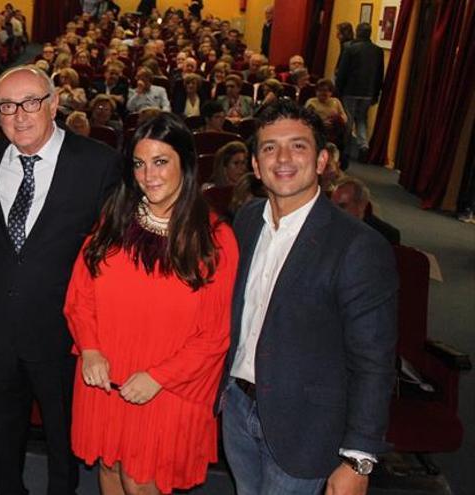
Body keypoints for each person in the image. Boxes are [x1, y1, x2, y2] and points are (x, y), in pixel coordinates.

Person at [221, 99, 398, 494]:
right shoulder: (248, 220)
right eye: (269, 147)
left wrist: (358, 458)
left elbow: (374, 361)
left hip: (305, 428)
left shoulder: (357, 246)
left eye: (298, 146)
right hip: (237, 409)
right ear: (255, 165)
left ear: (321, 161)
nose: (282, 158)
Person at [65, 112, 237, 494]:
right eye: (140, 164)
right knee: (109, 468)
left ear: (186, 165)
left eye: (161, 162)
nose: (149, 175)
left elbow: (214, 336)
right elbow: (81, 295)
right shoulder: (115, 217)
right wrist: (90, 350)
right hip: (106, 376)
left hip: (167, 386)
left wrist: (158, 378)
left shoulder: (215, 238)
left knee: (140, 480)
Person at [0, 65, 121, 495]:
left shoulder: (97, 163)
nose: (19, 115)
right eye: (7, 106)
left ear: (54, 104)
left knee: (63, 437)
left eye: (31, 102)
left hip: (63, 333)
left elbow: (111, 255)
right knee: (4, 431)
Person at [336, 23, 384, 161]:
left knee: (348, 119)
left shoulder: (350, 48)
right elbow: (380, 73)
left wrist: (338, 89)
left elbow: (343, 71)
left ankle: (346, 149)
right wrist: (376, 93)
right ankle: (363, 146)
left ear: (357, 32)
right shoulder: (378, 51)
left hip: (350, 89)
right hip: (368, 91)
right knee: (362, 119)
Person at [331, 176, 401, 245]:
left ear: (361, 205)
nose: (334, 211)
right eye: (332, 205)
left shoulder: (386, 235)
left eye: (342, 206)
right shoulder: (327, 222)